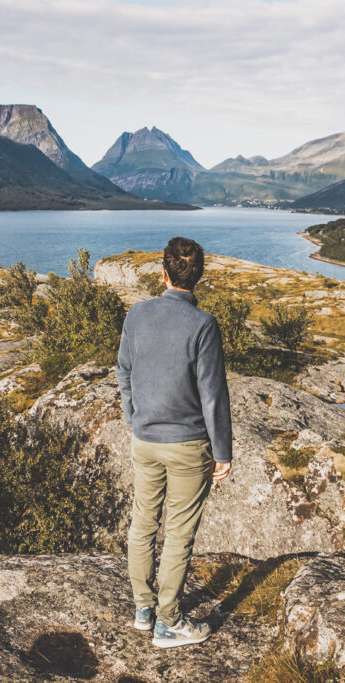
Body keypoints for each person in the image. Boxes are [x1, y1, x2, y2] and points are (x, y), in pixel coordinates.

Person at [115, 236, 232, 649]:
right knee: (178, 534)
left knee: (143, 523)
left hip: (144, 440)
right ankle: (168, 623)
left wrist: (133, 418)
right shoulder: (202, 325)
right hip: (188, 446)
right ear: (197, 277)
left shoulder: (137, 314)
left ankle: (144, 611)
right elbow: (213, 394)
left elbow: (123, 372)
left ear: (162, 273)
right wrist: (223, 452)